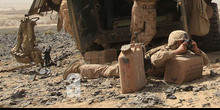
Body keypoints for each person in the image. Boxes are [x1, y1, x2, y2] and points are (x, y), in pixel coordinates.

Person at [62, 30, 209, 80]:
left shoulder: (185, 52)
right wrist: (177, 51)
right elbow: (156, 61)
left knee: (109, 68)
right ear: (174, 43)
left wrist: (196, 50)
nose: (182, 45)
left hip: (147, 74)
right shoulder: (166, 50)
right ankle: (78, 68)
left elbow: (206, 62)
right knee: (107, 71)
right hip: (138, 68)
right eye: (180, 42)